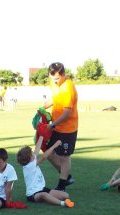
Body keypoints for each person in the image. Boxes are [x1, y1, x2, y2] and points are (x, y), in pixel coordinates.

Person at [43, 62, 79, 191]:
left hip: (68, 128)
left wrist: (52, 124)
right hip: (56, 127)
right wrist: (42, 108)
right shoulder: (54, 83)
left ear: (63, 74)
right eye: (52, 78)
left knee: (64, 156)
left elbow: (67, 112)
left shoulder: (68, 87)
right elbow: (55, 98)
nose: (55, 81)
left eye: (57, 78)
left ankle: (61, 186)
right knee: (47, 150)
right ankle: (67, 176)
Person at [16, 136, 74, 207]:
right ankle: (62, 203)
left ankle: (49, 198)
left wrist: (41, 136)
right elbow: (44, 156)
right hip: (33, 194)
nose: (34, 153)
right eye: (32, 153)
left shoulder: (31, 161)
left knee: (65, 195)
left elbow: (37, 149)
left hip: (43, 189)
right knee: (44, 195)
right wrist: (55, 145)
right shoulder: (29, 166)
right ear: (30, 158)